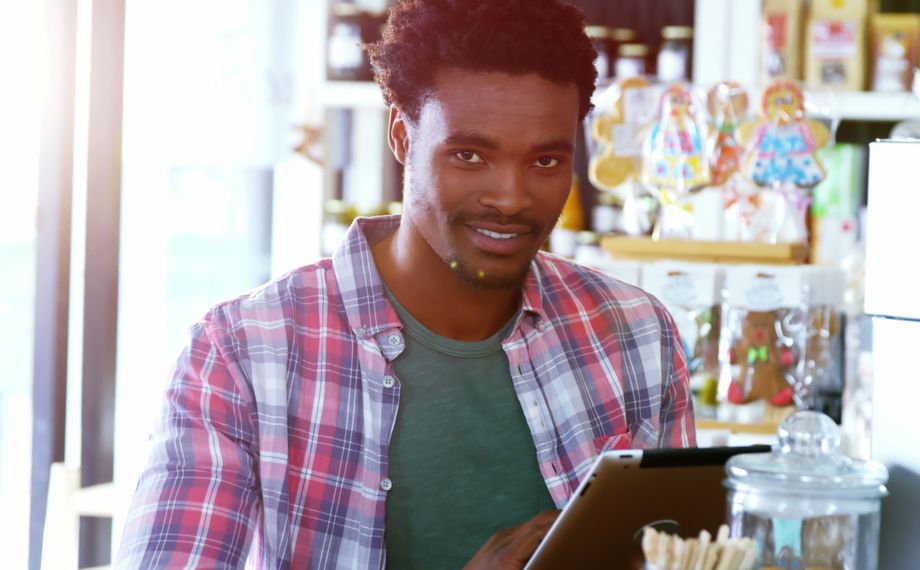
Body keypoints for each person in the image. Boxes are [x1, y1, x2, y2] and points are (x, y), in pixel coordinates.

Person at [117, 0, 695, 567]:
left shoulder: (637, 336)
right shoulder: (243, 353)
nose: (511, 198)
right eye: (469, 155)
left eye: (545, 161)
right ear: (401, 136)